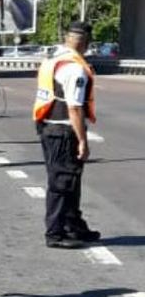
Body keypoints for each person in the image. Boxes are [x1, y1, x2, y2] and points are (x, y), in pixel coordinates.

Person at [33, 19, 100, 249]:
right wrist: (82, 140)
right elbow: (74, 107)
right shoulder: (74, 68)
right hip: (63, 130)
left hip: (49, 126)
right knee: (62, 183)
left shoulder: (53, 59)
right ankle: (55, 233)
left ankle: (73, 226)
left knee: (70, 180)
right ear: (85, 42)